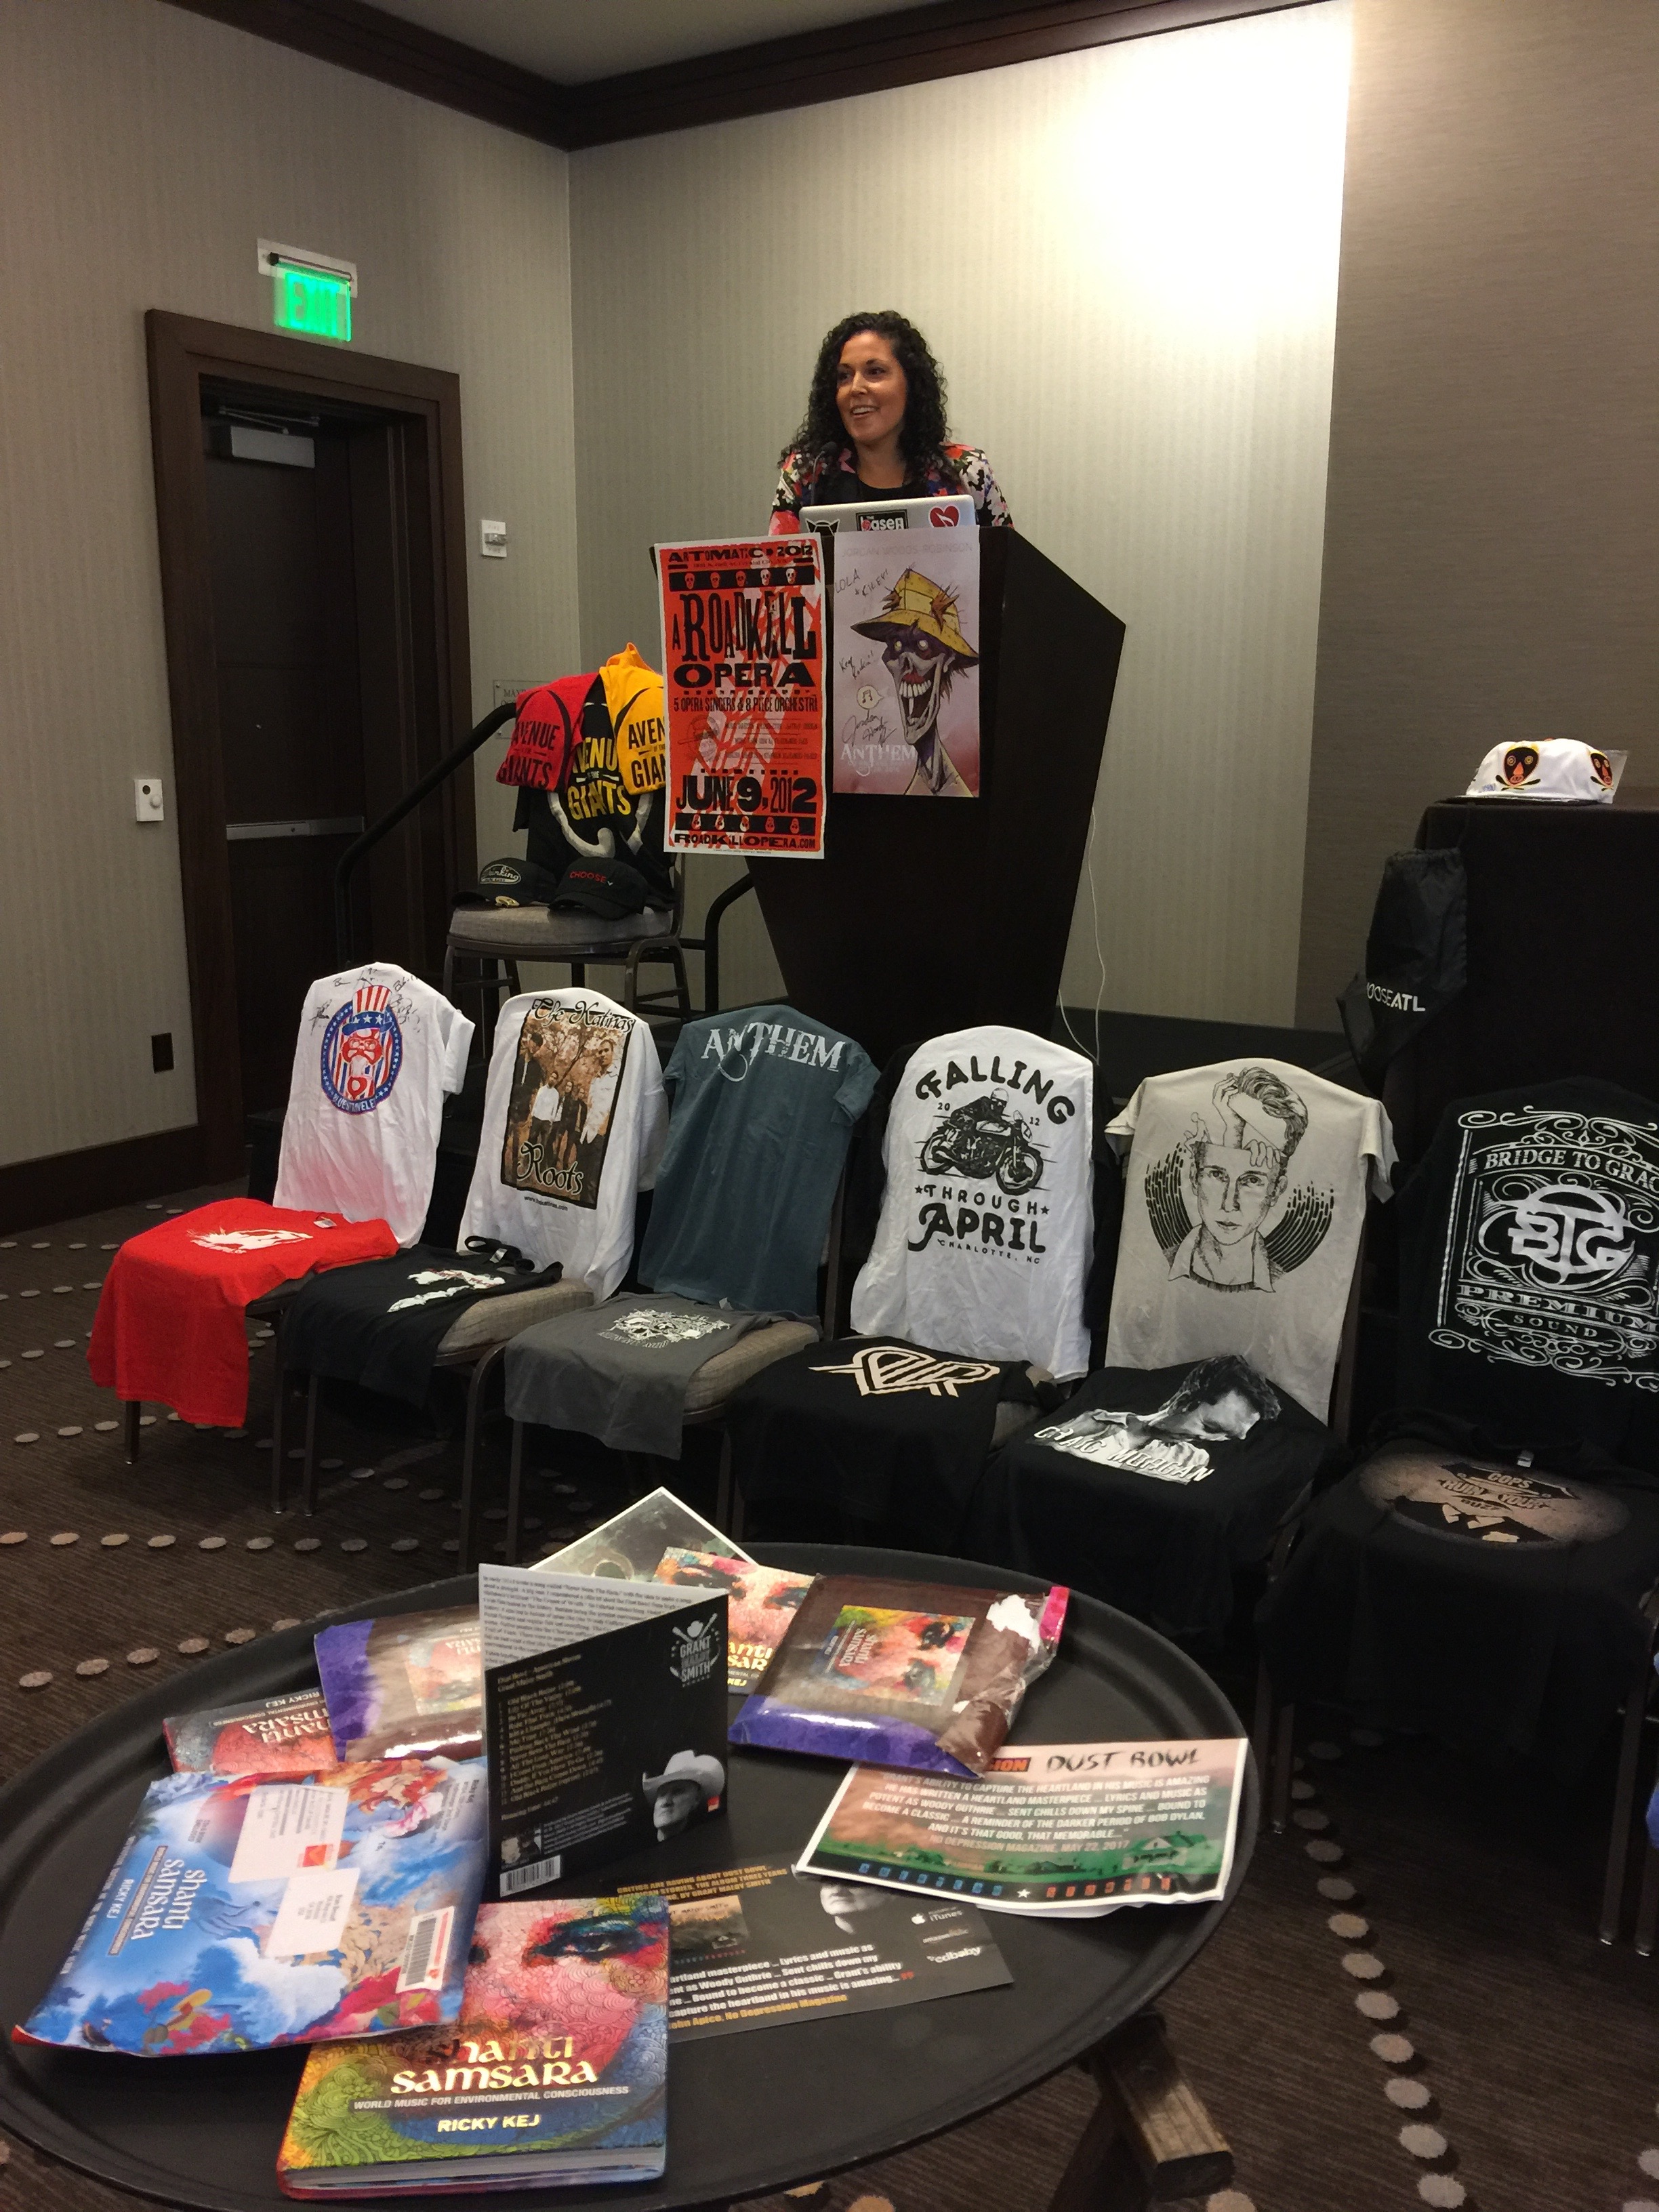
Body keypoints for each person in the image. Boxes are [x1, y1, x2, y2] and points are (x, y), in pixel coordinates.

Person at [770, 311, 1012, 533]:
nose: (855, 388)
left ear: (911, 383)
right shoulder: (806, 473)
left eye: (875, 372)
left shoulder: (967, 471)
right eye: (844, 376)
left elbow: (1009, 573)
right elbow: (779, 576)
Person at [1033, 1355, 1282, 1485]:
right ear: (1185, 1401)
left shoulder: (1194, 1459)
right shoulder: (1095, 1421)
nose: (1211, 1440)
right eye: (1211, 1427)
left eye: (1227, 1437)